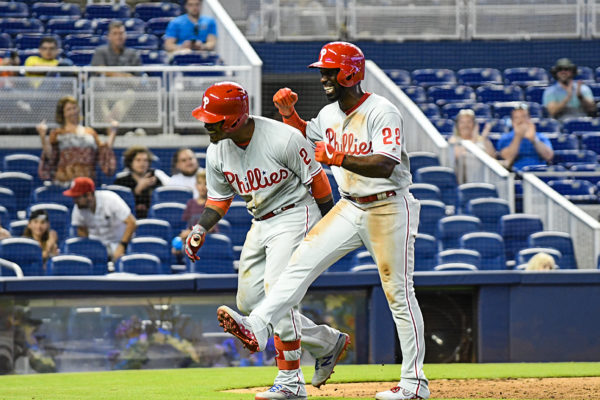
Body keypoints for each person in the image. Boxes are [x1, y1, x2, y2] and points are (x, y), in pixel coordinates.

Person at [202, 43, 430, 400]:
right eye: (322, 70)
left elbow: (386, 165)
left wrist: (338, 157)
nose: (323, 77)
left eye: (329, 70)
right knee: (296, 268)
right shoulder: (327, 115)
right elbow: (310, 135)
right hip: (350, 206)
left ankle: (415, 384)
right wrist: (291, 116)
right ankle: (259, 327)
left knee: (399, 295)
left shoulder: (382, 111)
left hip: (388, 206)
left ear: (350, 73)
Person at [185, 82, 350, 400]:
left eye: (212, 119)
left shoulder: (282, 137)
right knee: (250, 304)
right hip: (259, 221)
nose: (206, 124)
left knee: (278, 292)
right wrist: (200, 229)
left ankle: (291, 381)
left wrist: (331, 225)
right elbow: (219, 200)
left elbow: (317, 180)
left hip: (295, 212)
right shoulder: (216, 150)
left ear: (232, 119)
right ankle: (326, 341)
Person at [37, 95, 117, 185]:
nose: (72, 112)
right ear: (63, 113)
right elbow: (50, 156)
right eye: (68, 109)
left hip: (87, 182)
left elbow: (104, 152)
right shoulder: (57, 133)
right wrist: (43, 136)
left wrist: (113, 132)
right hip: (63, 182)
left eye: (74, 108)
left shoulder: (90, 132)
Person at [63, 177, 136, 260]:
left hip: (119, 241)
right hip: (97, 246)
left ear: (89, 195)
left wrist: (122, 246)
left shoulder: (110, 199)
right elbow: (82, 230)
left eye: (77, 197)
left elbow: (132, 222)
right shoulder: (79, 208)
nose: (74, 201)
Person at [91, 20, 141, 122]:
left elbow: (137, 79)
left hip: (125, 90)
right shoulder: (101, 51)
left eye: (121, 33)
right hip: (106, 89)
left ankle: (109, 122)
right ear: (109, 36)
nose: (119, 36)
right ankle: (111, 123)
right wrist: (124, 76)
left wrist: (111, 74)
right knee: (96, 94)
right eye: (115, 33)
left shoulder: (133, 53)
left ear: (125, 35)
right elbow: (100, 69)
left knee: (131, 95)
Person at [113, 146, 169, 218]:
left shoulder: (155, 180)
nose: (142, 163)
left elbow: (160, 201)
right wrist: (138, 189)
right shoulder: (121, 181)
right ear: (130, 162)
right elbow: (119, 205)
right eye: (138, 160)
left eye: (145, 160)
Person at [497, 103, 554, 172]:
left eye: (524, 116)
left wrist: (534, 139)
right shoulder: (506, 138)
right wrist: (518, 137)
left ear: (529, 119)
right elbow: (507, 158)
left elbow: (548, 156)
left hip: (539, 173)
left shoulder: (540, 136)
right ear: (512, 121)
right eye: (517, 117)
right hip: (517, 174)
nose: (521, 120)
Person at [448, 109, 496, 183]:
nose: (465, 125)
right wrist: (473, 140)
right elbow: (458, 156)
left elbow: (493, 158)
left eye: (469, 122)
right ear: (457, 125)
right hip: (463, 180)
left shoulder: (482, 140)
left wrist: (484, 138)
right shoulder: (454, 140)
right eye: (462, 122)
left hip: (483, 178)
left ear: (474, 124)